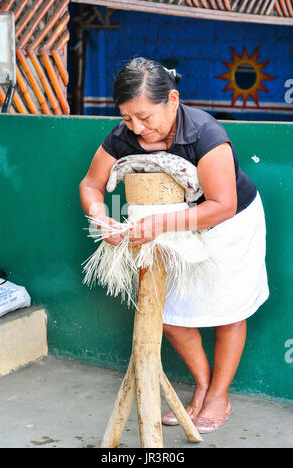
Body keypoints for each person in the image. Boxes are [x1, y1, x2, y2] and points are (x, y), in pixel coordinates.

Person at [79, 57, 269, 433]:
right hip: (170, 229)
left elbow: (223, 204)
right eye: (128, 117)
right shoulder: (122, 136)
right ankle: (201, 386)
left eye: (145, 118)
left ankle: (219, 394)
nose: (137, 128)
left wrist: (159, 224)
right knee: (170, 315)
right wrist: (100, 218)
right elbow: (90, 185)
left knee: (228, 310)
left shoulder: (204, 133)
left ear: (172, 100)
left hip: (227, 225)